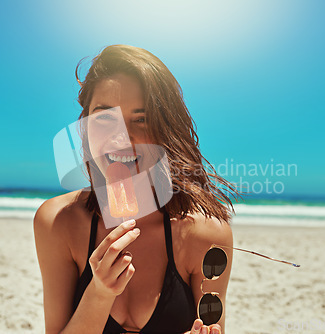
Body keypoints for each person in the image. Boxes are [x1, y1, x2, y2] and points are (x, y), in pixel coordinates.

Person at [34, 45, 238, 334]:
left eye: (141, 119)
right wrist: (99, 293)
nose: (120, 138)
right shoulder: (58, 221)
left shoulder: (205, 234)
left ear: (166, 130)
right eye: (105, 117)